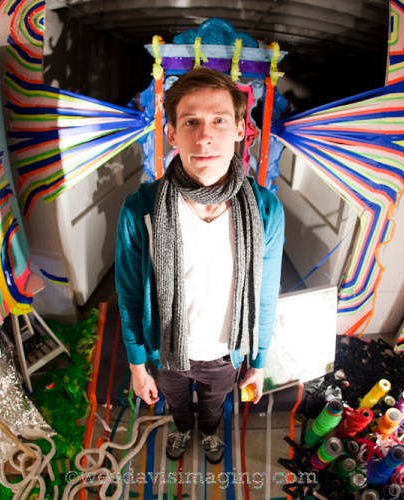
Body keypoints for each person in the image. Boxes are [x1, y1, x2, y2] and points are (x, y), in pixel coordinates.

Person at [115, 66, 284, 464]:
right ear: (172, 133)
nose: (205, 136)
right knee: (176, 402)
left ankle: (208, 432)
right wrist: (138, 367)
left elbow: (265, 295)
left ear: (241, 130)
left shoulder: (265, 210)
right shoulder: (140, 210)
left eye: (219, 121)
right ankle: (181, 428)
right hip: (166, 353)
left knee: (213, 404)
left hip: (226, 356)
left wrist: (259, 362)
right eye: (191, 122)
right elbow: (130, 296)